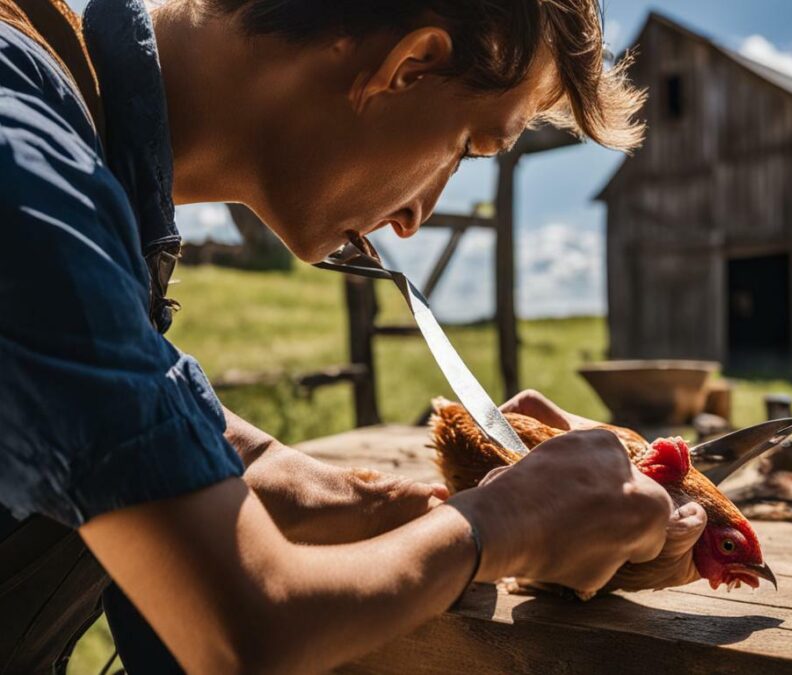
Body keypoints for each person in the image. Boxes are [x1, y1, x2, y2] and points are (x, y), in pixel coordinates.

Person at [0, 0, 711, 672]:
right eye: (467, 145)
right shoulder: (29, 176)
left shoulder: (81, 163)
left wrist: (409, 508)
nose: (415, 219)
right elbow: (245, 628)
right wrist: (504, 522)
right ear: (410, 65)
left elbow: (181, 448)